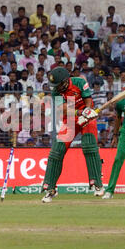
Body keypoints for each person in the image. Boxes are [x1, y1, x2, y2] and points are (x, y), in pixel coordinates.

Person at [41, 67, 104, 203]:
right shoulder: (56, 91)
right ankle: (50, 188)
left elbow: (88, 99)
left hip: (87, 116)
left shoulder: (80, 82)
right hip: (70, 118)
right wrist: (79, 113)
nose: (56, 87)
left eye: (58, 85)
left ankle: (97, 184)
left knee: (88, 145)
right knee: (57, 150)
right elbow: (62, 109)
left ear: (65, 81)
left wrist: (87, 111)